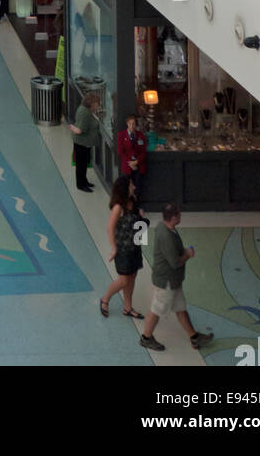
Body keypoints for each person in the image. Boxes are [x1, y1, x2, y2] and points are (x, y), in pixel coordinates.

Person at [140, 204, 214, 352]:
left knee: (180, 308)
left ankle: (194, 337)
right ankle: (146, 338)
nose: (181, 216)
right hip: (166, 281)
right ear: (173, 217)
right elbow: (174, 262)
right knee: (157, 309)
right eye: (179, 214)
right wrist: (187, 254)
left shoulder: (163, 226)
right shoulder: (166, 235)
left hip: (173, 281)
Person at [99, 176, 144, 320]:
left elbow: (139, 223)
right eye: (131, 185)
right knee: (124, 280)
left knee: (132, 277)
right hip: (123, 250)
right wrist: (114, 248)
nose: (134, 187)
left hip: (135, 247)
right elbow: (110, 228)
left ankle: (128, 307)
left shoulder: (134, 202)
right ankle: (105, 299)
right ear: (125, 188)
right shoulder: (119, 207)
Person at [68, 90, 102, 191]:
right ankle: (81, 184)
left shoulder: (85, 110)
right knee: (81, 165)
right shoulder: (85, 113)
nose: (98, 106)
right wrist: (72, 127)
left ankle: (84, 181)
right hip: (81, 143)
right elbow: (79, 130)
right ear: (91, 103)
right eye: (96, 104)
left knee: (83, 164)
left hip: (84, 143)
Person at [117, 114, 148, 198]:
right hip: (127, 166)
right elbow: (121, 152)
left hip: (138, 165)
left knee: (137, 186)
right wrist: (130, 163)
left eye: (134, 123)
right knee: (126, 186)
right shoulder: (121, 135)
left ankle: (136, 204)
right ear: (127, 124)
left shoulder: (140, 135)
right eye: (130, 123)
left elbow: (143, 152)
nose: (132, 126)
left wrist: (136, 162)